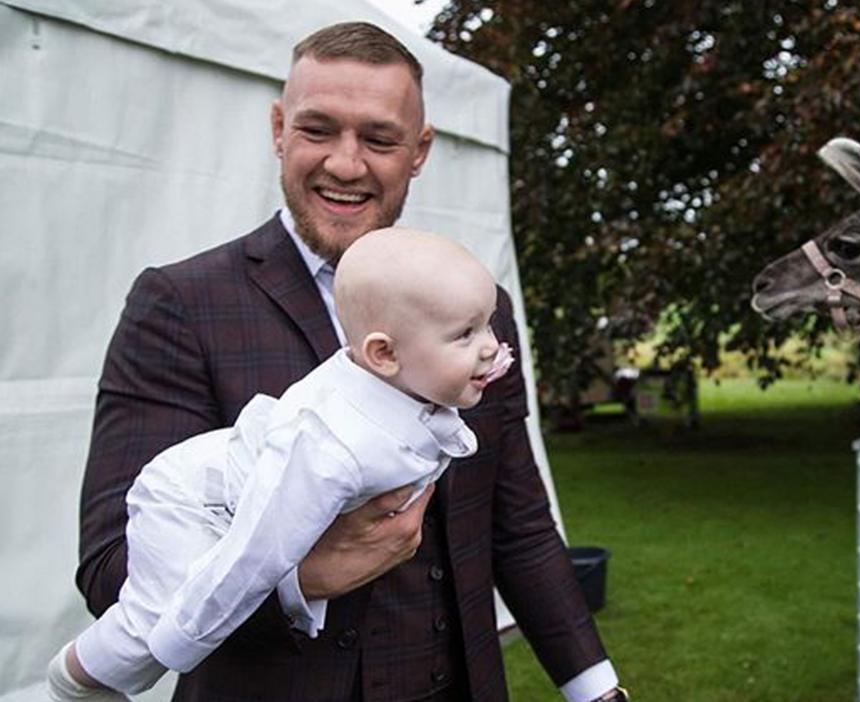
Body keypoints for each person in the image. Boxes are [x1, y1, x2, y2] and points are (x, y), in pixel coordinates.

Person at [74, 21, 626, 702]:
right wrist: (300, 578)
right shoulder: (181, 303)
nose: (345, 163)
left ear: (420, 151)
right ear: (278, 130)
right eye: (317, 130)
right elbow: (111, 569)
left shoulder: (480, 310)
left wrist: (596, 688)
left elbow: (518, 525)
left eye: (379, 138)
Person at [50, 228, 513, 700]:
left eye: (488, 326)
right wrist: (182, 640)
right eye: (465, 335)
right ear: (384, 354)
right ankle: (74, 678)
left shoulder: (411, 353)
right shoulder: (333, 452)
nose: (491, 346)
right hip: (193, 499)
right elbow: (255, 552)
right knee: (152, 618)